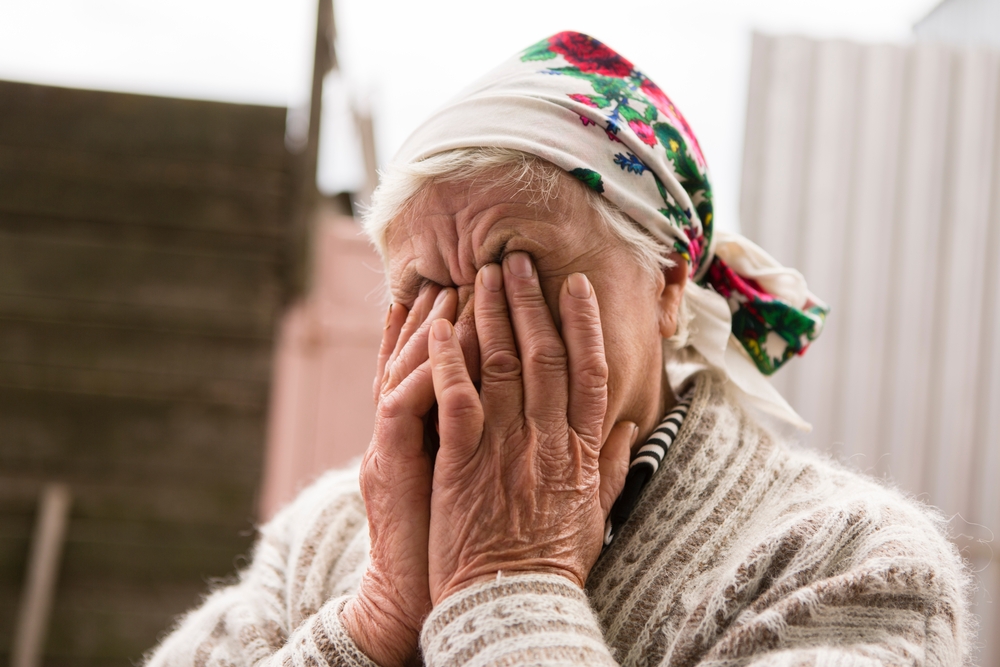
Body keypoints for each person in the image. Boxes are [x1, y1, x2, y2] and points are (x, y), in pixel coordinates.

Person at [145, 32, 972, 666]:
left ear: (667, 283)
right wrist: (371, 623)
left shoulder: (848, 562)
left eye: (519, 277)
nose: (468, 338)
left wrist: (511, 584)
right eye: (424, 290)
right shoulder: (319, 536)